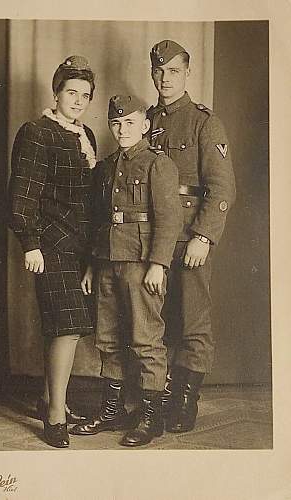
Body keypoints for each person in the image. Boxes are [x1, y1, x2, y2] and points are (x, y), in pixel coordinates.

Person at [70, 95, 183, 446]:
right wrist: (92, 266)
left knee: (146, 339)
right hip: (107, 262)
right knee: (107, 337)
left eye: (130, 122)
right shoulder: (105, 168)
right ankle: (113, 409)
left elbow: (169, 219)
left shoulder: (157, 164)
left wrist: (159, 264)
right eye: (116, 124)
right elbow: (100, 221)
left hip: (141, 263)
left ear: (145, 125)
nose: (122, 129)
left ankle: (152, 418)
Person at [147, 39, 236, 433]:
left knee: (192, 320)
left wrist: (203, 236)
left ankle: (184, 398)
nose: (165, 78)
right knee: (154, 319)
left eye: (173, 71)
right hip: (150, 239)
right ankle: (157, 395)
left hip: (187, 237)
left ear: (187, 73)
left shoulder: (204, 121)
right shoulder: (145, 119)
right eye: (159, 70)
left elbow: (222, 188)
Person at [8, 55, 97, 448]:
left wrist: (93, 256)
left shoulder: (87, 135)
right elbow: (22, 193)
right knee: (68, 325)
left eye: (85, 95)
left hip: (80, 247)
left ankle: (48, 399)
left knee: (67, 326)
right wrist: (30, 243)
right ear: (56, 92)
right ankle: (56, 415)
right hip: (49, 245)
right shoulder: (36, 132)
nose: (78, 101)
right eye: (71, 92)